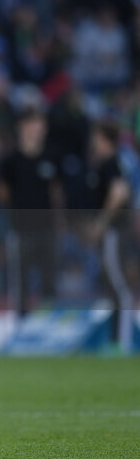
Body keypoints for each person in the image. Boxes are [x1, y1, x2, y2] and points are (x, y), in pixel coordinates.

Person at [0, 109, 62, 315]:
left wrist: (59, 221)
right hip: (21, 230)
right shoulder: (11, 161)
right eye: (32, 124)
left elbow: (56, 193)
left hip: (48, 229)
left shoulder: (51, 157)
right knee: (20, 283)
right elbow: (1, 193)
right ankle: (21, 325)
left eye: (40, 125)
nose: (37, 130)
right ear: (21, 127)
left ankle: (49, 327)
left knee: (49, 281)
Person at [81, 122, 131, 345]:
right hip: (114, 232)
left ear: (102, 138)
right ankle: (116, 339)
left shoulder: (111, 163)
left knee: (119, 286)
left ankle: (122, 341)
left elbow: (119, 192)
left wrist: (101, 224)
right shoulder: (113, 163)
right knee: (113, 285)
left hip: (114, 232)